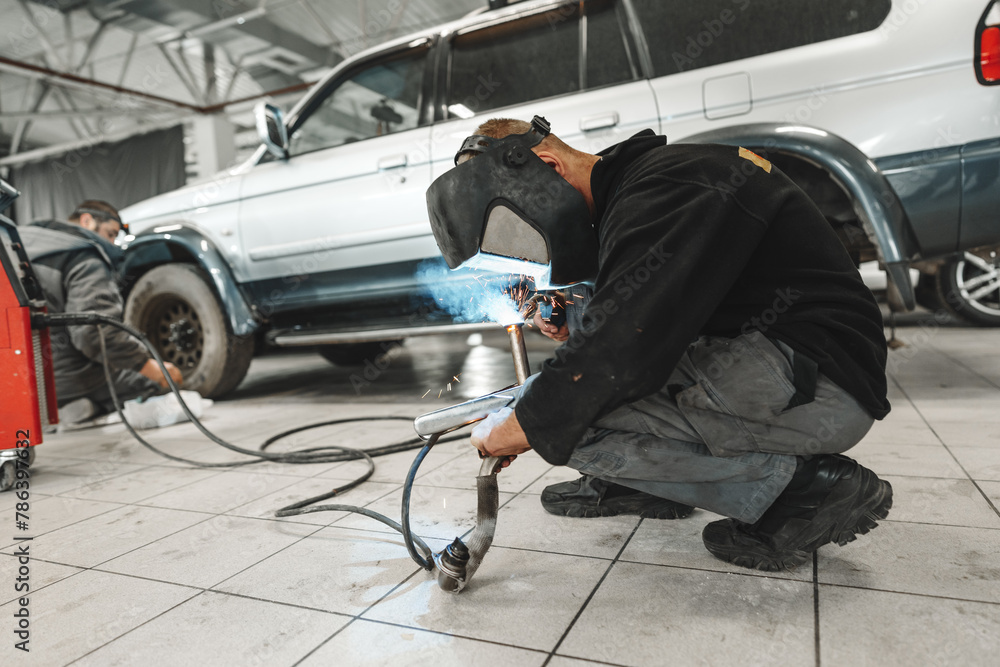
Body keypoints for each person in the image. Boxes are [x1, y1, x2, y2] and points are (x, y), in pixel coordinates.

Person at [426, 117, 892, 571]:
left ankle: (800, 493)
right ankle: (651, 484)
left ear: (549, 167)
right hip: (788, 364)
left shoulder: (668, 188)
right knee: (574, 372)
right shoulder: (641, 186)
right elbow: (641, 306)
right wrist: (570, 321)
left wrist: (522, 423)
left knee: (573, 421)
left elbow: (619, 353)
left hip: (820, 385)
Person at [19, 200, 183, 426]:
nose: (112, 242)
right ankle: (82, 405)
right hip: (64, 378)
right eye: (111, 233)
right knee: (153, 383)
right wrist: (149, 366)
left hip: (16, 378)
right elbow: (94, 334)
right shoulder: (83, 256)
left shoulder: (18, 241)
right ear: (87, 220)